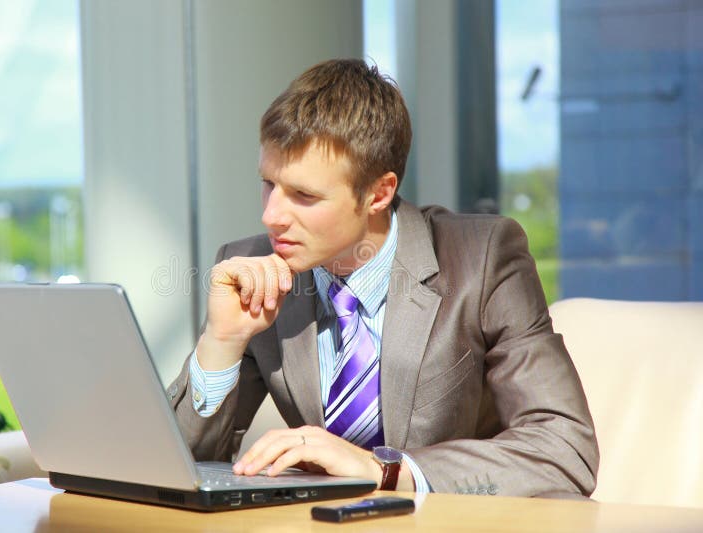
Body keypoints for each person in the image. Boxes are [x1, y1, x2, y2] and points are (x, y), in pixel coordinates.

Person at [168, 58, 598, 496]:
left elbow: (564, 450)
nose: (271, 215)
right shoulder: (252, 268)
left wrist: (386, 470)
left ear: (379, 192)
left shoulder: (482, 260)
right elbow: (176, 468)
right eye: (268, 184)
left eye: (304, 195)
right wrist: (221, 346)